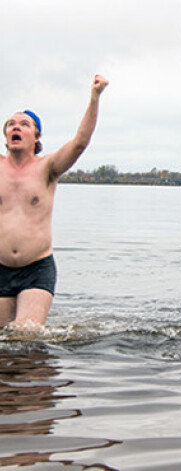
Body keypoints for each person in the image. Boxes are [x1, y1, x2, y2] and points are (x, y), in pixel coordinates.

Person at [0, 75, 109, 330]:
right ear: (6, 136)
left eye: (24, 124)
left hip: (36, 269)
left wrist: (95, 97)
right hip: (1, 267)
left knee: (26, 336)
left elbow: (80, 142)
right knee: (5, 350)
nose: (16, 127)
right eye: (11, 124)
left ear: (36, 137)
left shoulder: (47, 167)